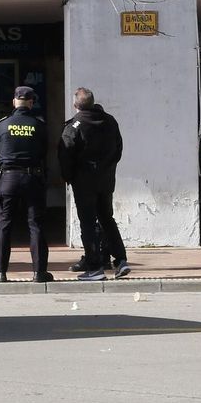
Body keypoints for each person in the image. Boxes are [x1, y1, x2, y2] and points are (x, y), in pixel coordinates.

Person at [59, 86, 129, 280]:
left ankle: (95, 267)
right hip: (105, 181)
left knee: (88, 224)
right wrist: (106, 169)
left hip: (84, 183)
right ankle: (121, 260)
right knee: (107, 219)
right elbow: (118, 150)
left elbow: (65, 153)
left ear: (76, 105)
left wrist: (69, 177)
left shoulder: (74, 126)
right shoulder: (110, 121)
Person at [0, 86, 52, 283]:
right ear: (31, 102)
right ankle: (39, 272)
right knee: (36, 225)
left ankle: (0, 273)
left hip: (8, 179)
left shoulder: (3, 125)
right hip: (32, 177)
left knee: (4, 225)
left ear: (14, 102)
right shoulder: (39, 125)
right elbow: (44, 152)